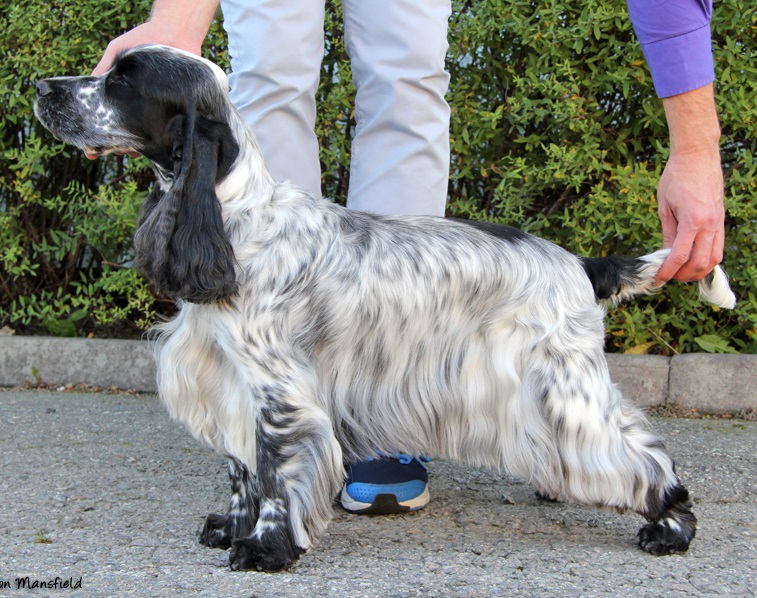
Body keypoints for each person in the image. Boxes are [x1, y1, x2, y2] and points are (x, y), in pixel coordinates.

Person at [93, 0, 725, 514]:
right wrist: (178, 19)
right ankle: (277, 445)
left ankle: (653, 487)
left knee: (407, 78)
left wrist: (696, 148)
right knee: (271, 73)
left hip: (536, 275)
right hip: (259, 249)